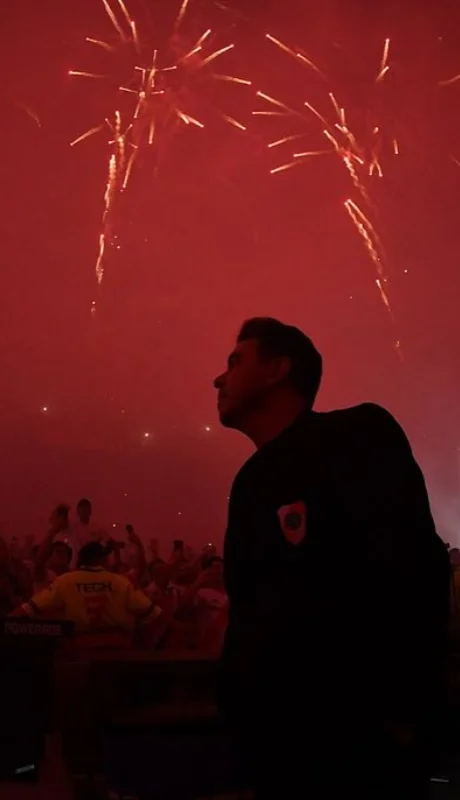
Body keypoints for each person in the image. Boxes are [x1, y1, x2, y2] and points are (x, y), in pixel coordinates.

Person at [214, 317, 451, 799]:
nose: (219, 378)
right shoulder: (249, 484)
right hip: (276, 755)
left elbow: (415, 569)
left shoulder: (356, 435)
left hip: (358, 755)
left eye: (235, 361)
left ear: (278, 369)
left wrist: (401, 719)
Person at [18, 542, 161, 637]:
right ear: (101, 559)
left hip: (77, 653)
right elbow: (154, 614)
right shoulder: (121, 582)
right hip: (117, 653)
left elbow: (29, 609)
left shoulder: (65, 581)